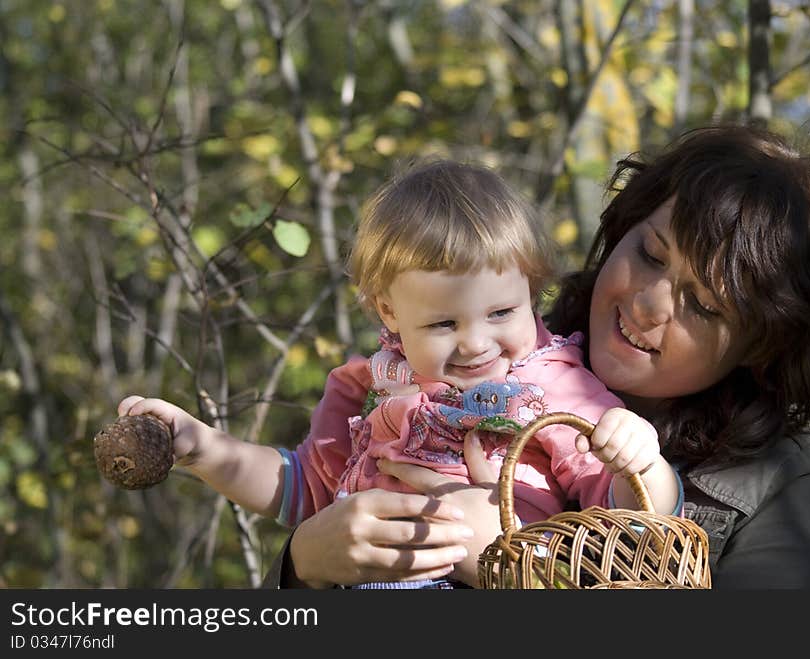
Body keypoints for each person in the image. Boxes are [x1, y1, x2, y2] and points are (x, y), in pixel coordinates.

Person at [264, 123, 810, 589]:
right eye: (651, 254)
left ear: (762, 344)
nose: (647, 302)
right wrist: (304, 562)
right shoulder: (481, 350)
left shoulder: (781, 480)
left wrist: (517, 566)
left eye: (705, 306)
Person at [117, 160, 681, 588]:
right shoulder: (370, 386)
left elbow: (633, 520)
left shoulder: (553, 384)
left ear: (531, 289)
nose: (477, 343)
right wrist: (205, 449)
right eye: (442, 322)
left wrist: (641, 460)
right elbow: (304, 490)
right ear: (389, 311)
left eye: (502, 313)